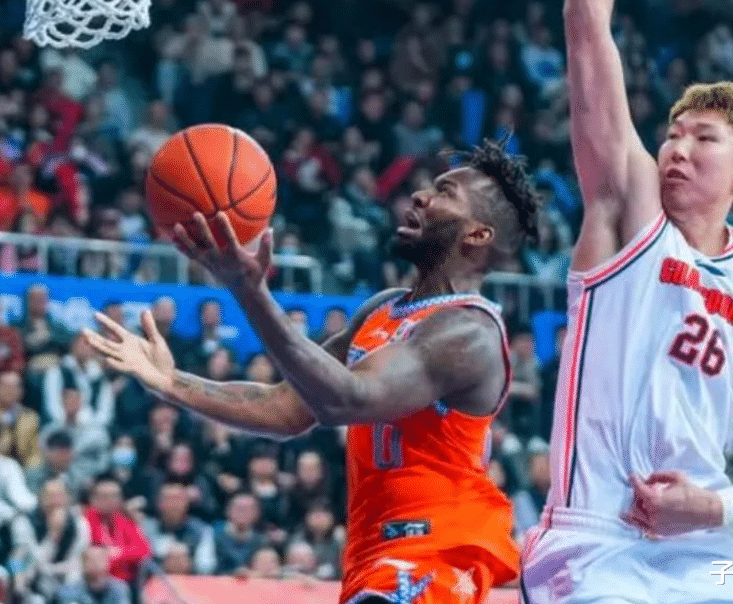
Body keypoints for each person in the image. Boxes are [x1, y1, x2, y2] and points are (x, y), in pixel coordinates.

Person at [83, 139, 539, 604]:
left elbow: (347, 399)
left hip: (434, 555)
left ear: (477, 235)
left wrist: (249, 292)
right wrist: (173, 382)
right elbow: (287, 407)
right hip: (376, 557)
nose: (421, 196)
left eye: (445, 192)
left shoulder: (468, 331)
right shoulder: (383, 309)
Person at [519, 0, 733, 602]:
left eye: (703, 138)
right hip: (596, 542)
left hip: (704, 551)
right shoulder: (629, 213)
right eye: (672, 135)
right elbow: (585, 20)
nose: (678, 149)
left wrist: (720, 506)